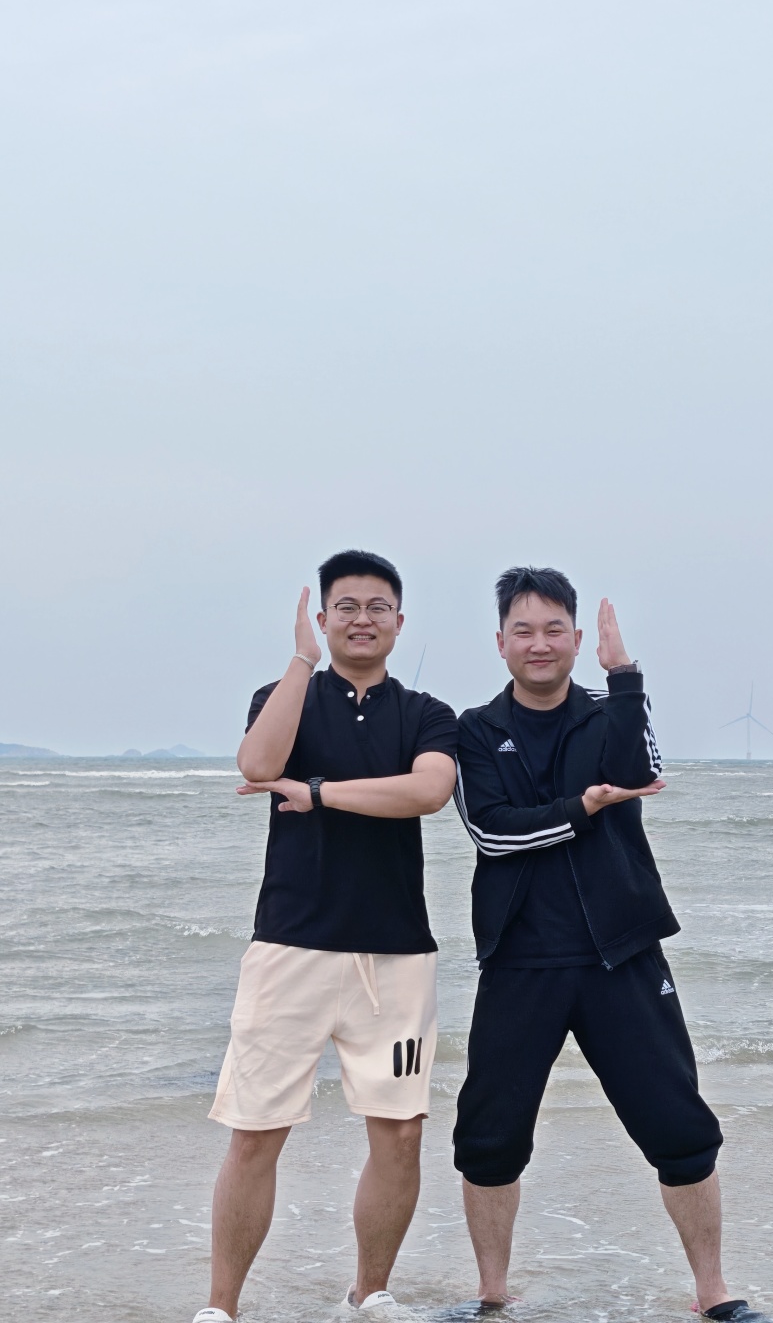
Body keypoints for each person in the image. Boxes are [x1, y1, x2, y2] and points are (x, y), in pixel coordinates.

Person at [451, 566, 772, 1323]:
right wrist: (583, 807)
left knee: (680, 1129)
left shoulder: (611, 709)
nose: (539, 643)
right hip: (521, 959)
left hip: (622, 953)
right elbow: (492, 831)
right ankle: (492, 1294)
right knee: (489, 1138)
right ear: (500, 642)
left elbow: (641, 771)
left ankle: (712, 1293)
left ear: (574, 638)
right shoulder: (476, 729)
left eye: (553, 629)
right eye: (523, 630)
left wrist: (624, 673)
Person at [192, 549, 458, 1323]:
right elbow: (256, 762)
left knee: (399, 1133)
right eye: (346, 606)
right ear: (322, 617)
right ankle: (220, 1308)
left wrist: (317, 793)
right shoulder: (283, 695)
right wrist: (301, 661)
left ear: (399, 622)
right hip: (290, 946)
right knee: (254, 1133)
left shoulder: (426, 712)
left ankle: (370, 1293)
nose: (361, 619)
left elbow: (428, 791)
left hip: (396, 953)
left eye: (377, 607)